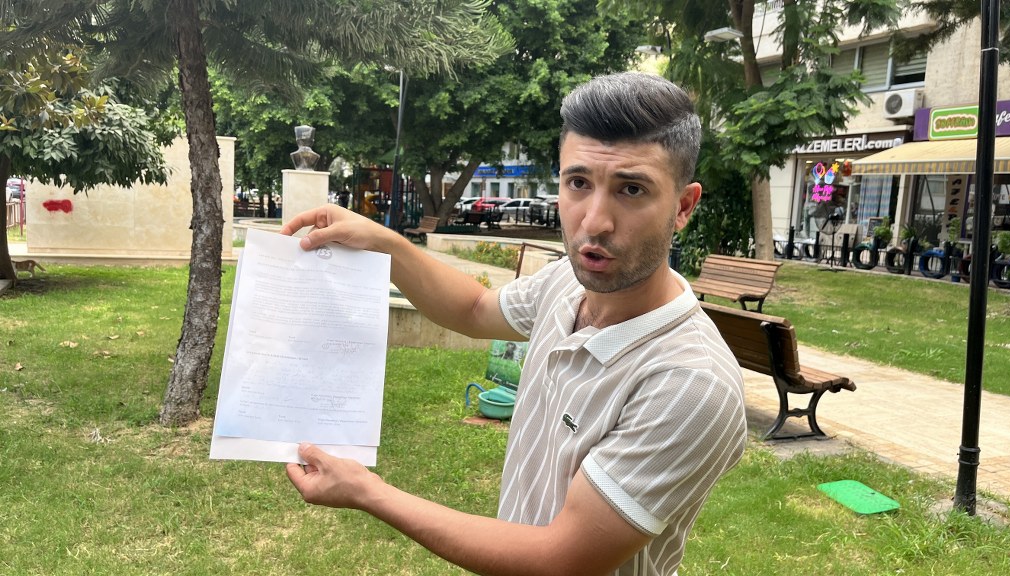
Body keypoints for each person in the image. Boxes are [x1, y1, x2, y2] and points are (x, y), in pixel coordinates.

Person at [280, 72, 746, 576]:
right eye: (579, 183)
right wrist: (384, 242)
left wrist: (367, 491)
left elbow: (559, 560)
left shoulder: (691, 384)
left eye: (631, 189)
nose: (594, 222)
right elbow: (474, 308)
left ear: (683, 206)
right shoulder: (567, 283)